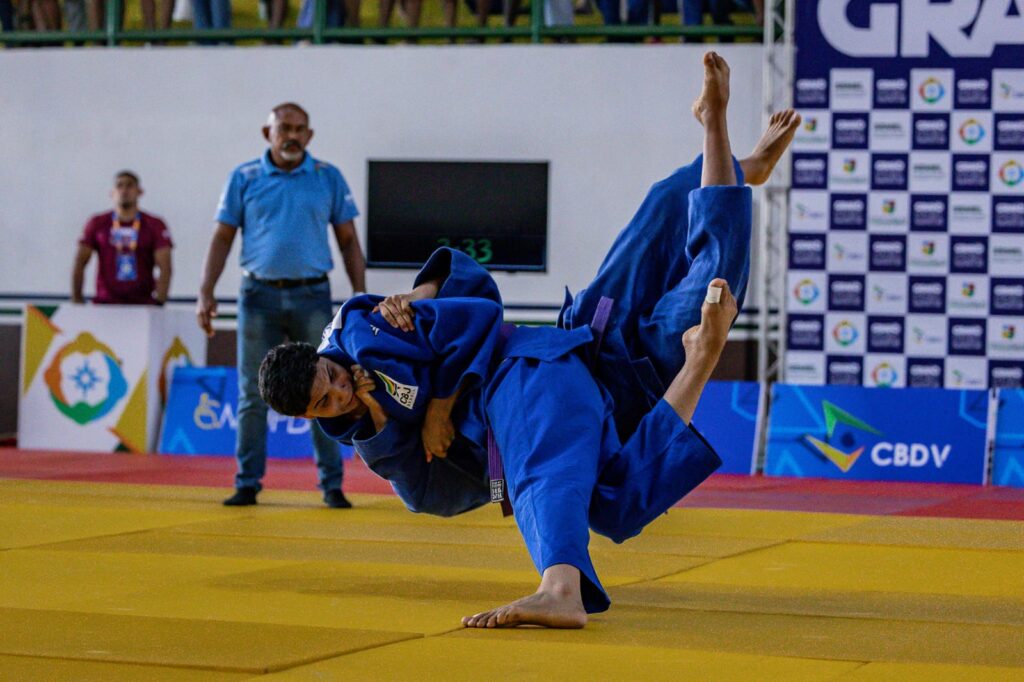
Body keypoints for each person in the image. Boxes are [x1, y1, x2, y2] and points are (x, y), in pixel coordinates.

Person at [260, 53, 799, 627]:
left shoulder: (360, 331)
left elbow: (472, 311)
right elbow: (426, 494)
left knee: (666, 202)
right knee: (708, 293)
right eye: (326, 403)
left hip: (553, 354)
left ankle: (741, 159)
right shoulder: (372, 442)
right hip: (609, 395)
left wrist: (432, 354)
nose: (338, 393)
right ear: (312, 418)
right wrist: (405, 428)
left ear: (324, 359)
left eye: (332, 379)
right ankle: (698, 354)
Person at [197, 102, 367, 509]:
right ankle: (247, 482)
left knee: (325, 387)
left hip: (313, 295)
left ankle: (332, 485)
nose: (291, 135)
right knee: (252, 392)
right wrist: (206, 290)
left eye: (299, 129)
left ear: (309, 135)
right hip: (257, 296)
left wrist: (360, 297)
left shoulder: (327, 177)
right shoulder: (244, 177)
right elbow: (222, 237)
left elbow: (347, 240)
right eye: (284, 128)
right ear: (267, 133)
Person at [72, 170, 173, 306]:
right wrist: (77, 299)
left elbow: (165, 266)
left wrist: (160, 301)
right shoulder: (98, 223)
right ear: (112, 193)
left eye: (130, 185)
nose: (124, 190)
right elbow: (80, 262)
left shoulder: (154, 224)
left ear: (140, 192)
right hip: (105, 304)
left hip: (142, 305)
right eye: (120, 186)